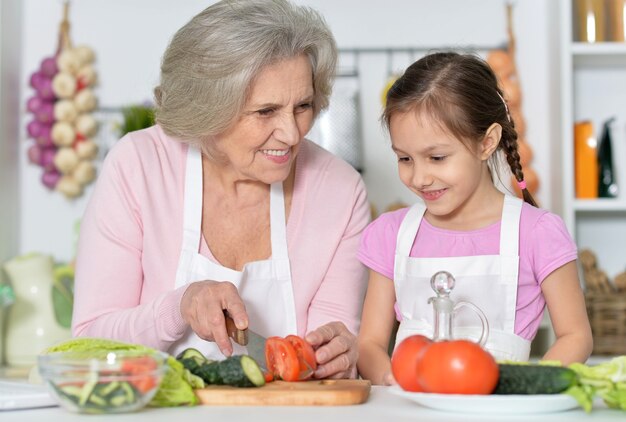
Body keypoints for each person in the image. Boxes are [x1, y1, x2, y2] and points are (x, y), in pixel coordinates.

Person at [72, 0, 370, 380]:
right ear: (207, 109)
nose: (292, 134)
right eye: (265, 112)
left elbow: (325, 365)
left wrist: (338, 358)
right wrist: (178, 307)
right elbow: (87, 349)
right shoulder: (139, 166)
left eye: (303, 106)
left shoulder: (340, 192)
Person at [356, 52, 593, 385]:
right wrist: (388, 377)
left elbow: (576, 335)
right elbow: (369, 344)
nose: (419, 177)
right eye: (405, 158)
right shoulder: (391, 235)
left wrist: (525, 387)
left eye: (437, 157)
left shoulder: (537, 233)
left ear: (487, 142)